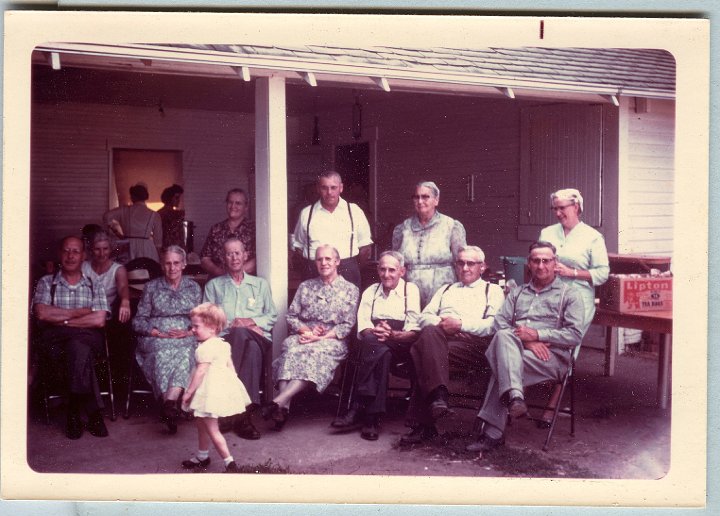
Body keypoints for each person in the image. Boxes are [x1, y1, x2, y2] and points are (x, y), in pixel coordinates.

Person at [465, 241, 585, 455]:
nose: (541, 266)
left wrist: (539, 334)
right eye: (536, 261)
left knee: (502, 361)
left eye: (546, 261)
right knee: (503, 340)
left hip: (551, 357)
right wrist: (528, 341)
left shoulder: (570, 294)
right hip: (518, 351)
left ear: (555, 263)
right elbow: (499, 323)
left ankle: (493, 431)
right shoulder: (518, 293)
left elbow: (574, 335)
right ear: (528, 264)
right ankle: (514, 397)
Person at [399, 245, 505, 445]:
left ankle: (425, 423)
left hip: (473, 346)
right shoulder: (446, 289)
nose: (465, 268)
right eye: (461, 263)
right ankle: (438, 398)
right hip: (443, 340)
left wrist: (462, 325)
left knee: (423, 351)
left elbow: (494, 325)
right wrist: (444, 326)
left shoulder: (493, 290)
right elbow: (424, 317)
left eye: (470, 263)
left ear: (482, 267)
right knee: (429, 337)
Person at [265, 245, 359, 430]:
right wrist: (306, 331)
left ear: (337, 262)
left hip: (332, 340)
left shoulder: (350, 290)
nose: (323, 263)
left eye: (328, 259)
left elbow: (347, 325)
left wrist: (320, 338)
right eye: (319, 259)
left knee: (310, 353)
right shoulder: (305, 286)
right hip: (304, 335)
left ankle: (278, 402)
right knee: (290, 350)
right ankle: (281, 408)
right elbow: (291, 316)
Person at [330, 251, 421, 441]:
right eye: (382, 269)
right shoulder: (371, 291)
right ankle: (372, 418)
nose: (386, 274)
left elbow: (413, 330)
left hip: (401, 343)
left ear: (402, 271)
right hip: (375, 341)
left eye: (392, 270)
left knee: (376, 348)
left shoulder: (410, 290)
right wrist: (377, 333)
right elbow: (363, 326)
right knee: (380, 352)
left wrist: (393, 334)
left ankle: (358, 405)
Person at [538, 188, 609, 426]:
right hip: (549, 293)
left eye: (562, 208)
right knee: (540, 338)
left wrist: (573, 273)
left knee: (567, 345)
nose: (558, 213)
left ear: (576, 207)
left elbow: (603, 273)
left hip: (578, 297)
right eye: (555, 208)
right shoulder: (547, 232)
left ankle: (551, 406)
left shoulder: (592, 237)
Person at [32, 236, 110, 440]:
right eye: (66, 251)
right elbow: (41, 314)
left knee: (78, 348)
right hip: (55, 341)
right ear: (60, 254)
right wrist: (80, 313)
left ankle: (73, 410)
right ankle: (93, 413)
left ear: (83, 256)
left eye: (75, 251)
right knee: (79, 351)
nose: (70, 256)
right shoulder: (47, 282)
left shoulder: (94, 283)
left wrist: (61, 319)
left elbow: (99, 319)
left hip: (87, 337)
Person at [203, 238, 278, 440]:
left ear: (245, 255)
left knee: (244, 335)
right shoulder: (214, 286)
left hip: (258, 337)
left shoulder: (260, 284)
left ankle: (230, 408)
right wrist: (236, 326)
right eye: (229, 253)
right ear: (223, 258)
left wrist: (249, 322)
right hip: (227, 341)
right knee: (249, 347)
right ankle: (243, 416)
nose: (234, 257)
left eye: (238, 253)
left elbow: (271, 315)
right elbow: (208, 320)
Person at [132, 245, 202, 434]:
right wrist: (155, 332)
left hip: (186, 337)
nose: (172, 268)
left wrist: (188, 333)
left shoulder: (193, 287)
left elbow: (202, 320)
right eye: (168, 263)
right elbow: (138, 321)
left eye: (176, 263)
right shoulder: (152, 287)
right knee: (162, 350)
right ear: (162, 265)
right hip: (156, 337)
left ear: (184, 264)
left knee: (186, 350)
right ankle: (171, 405)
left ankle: (169, 404)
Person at [180, 303, 252, 473]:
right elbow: (230, 367)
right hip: (217, 390)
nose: (193, 330)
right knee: (201, 423)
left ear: (212, 328)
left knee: (212, 429)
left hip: (208, 393)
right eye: (192, 326)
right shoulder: (223, 344)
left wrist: (188, 393)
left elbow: (200, 372)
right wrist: (233, 386)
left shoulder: (204, 348)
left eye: (196, 326)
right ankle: (202, 456)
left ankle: (229, 462)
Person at [291, 171, 373, 289]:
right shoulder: (306, 213)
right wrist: (313, 265)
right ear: (318, 189)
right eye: (324, 188)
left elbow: (365, 248)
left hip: (347, 270)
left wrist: (350, 267)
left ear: (341, 188)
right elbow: (298, 246)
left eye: (333, 187)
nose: (329, 192)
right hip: (314, 271)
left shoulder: (354, 212)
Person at [392, 181, 467, 308]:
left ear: (436, 200)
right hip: (409, 293)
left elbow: (461, 263)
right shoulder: (403, 228)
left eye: (425, 196)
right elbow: (394, 263)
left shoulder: (451, 226)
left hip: (443, 290)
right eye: (416, 197)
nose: (420, 201)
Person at [201, 188, 256, 277]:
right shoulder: (216, 229)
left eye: (238, 203)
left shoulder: (254, 229)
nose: (233, 206)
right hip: (219, 282)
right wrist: (219, 273)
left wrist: (236, 273)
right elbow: (204, 258)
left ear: (246, 207)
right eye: (230, 202)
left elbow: (259, 259)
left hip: (244, 283)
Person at [104, 183, 163, 262]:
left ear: (132, 196)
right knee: (146, 269)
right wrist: (159, 256)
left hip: (128, 245)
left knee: (128, 269)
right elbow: (158, 241)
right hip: (146, 247)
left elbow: (106, 216)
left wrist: (115, 232)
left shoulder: (124, 210)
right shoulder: (154, 214)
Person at [158, 184, 186, 249]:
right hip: (170, 248)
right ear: (169, 198)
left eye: (179, 198)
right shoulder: (176, 214)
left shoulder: (158, 213)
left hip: (165, 248)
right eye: (176, 197)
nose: (179, 200)